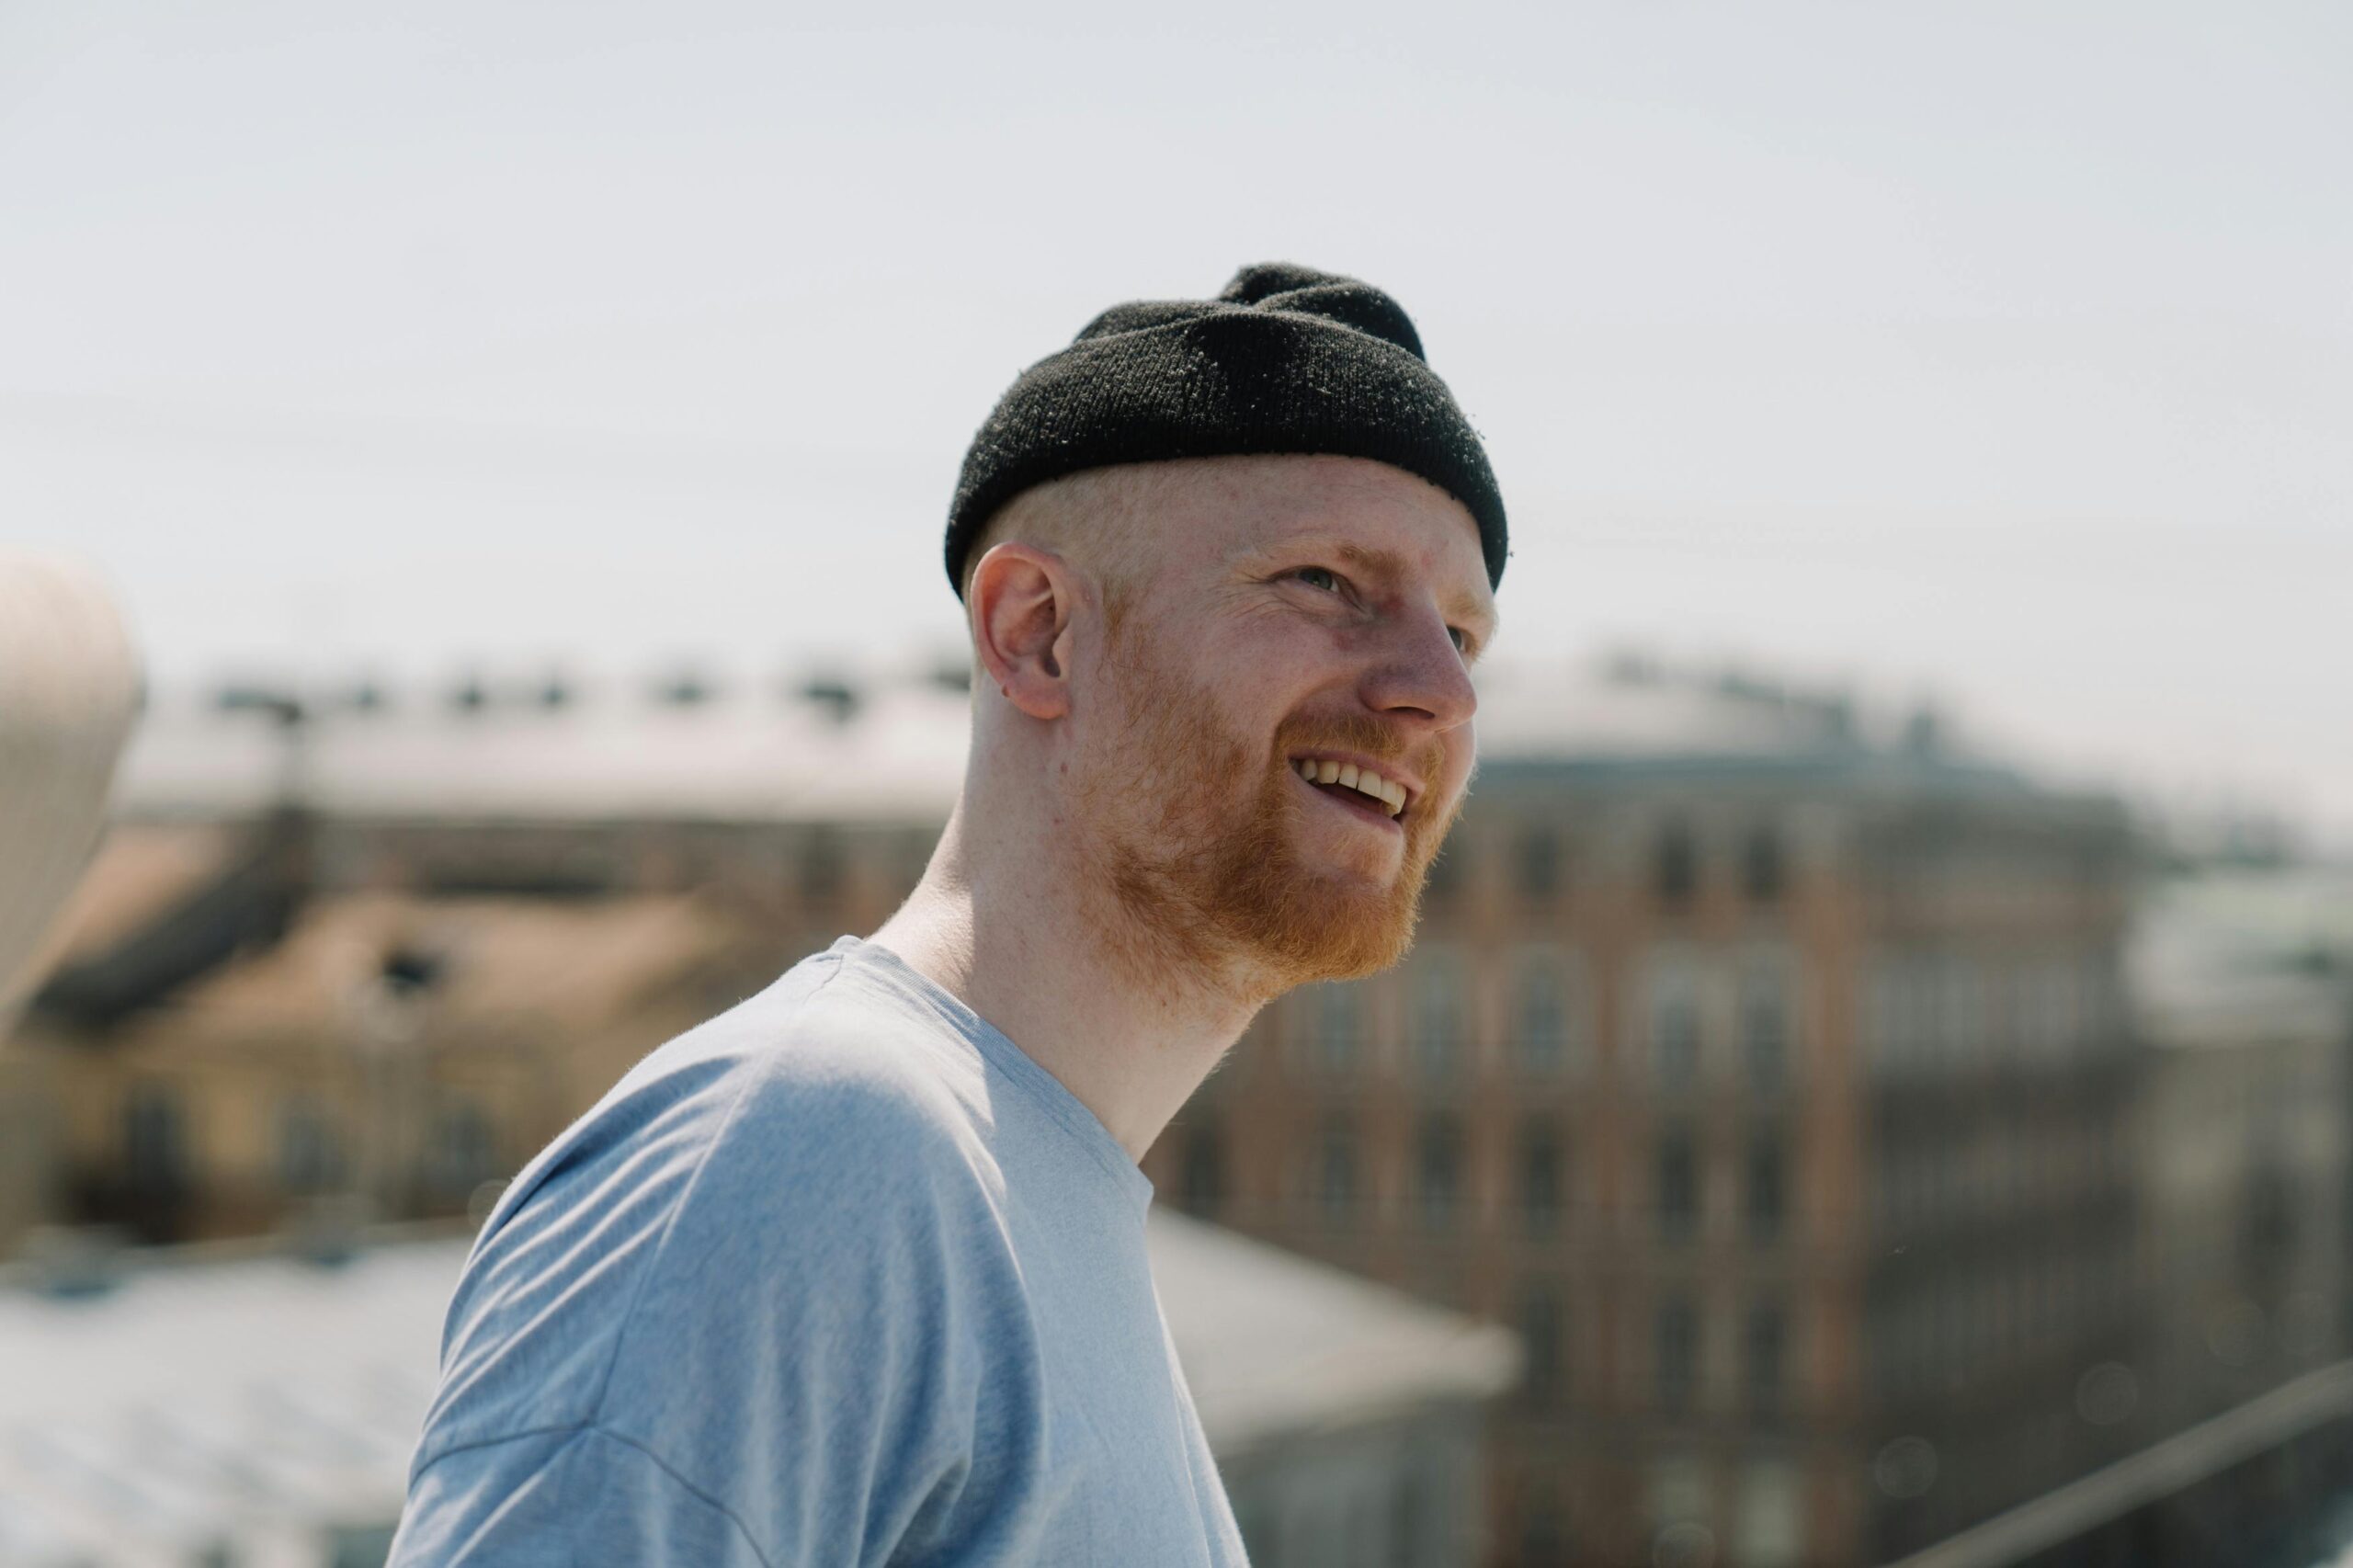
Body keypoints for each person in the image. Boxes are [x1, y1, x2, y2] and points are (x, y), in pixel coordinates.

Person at [390, 262, 1507, 1566]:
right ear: (1035, 632)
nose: (1441, 690)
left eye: (1465, 634)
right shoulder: (806, 1150)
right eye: (1325, 581)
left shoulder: (1018, 1200)